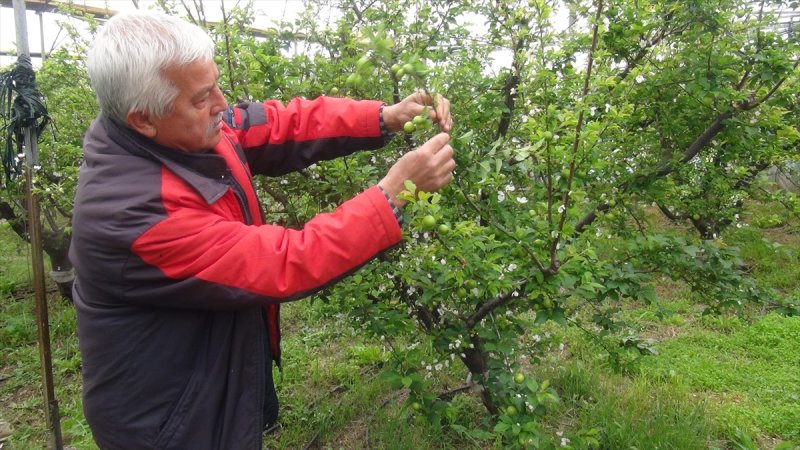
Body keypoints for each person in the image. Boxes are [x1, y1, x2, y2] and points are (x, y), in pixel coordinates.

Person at [68, 9, 455, 450]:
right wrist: (393, 195)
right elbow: (286, 262)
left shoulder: (184, 132)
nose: (222, 103)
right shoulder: (133, 214)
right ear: (143, 119)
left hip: (217, 374)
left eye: (215, 84)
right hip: (170, 421)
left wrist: (384, 116)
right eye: (201, 97)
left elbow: (278, 124)